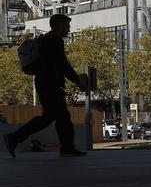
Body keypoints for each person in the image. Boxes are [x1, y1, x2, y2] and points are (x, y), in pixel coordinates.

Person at [4, 14, 89, 158]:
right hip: (50, 84)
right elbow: (62, 65)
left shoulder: (47, 39)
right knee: (57, 117)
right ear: (58, 26)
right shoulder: (54, 40)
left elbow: (59, 64)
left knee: (56, 117)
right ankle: (14, 138)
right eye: (66, 26)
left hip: (45, 83)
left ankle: (66, 147)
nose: (68, 29)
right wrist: (77, 80)